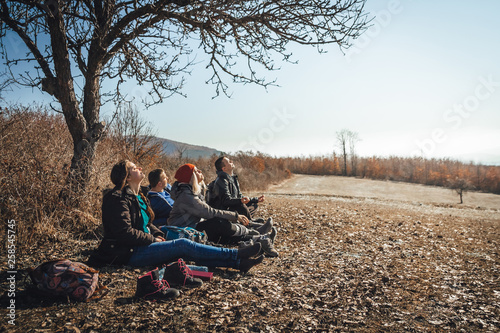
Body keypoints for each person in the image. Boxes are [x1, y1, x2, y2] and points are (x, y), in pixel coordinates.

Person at [92, 160, 264, 273]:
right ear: (127, 177)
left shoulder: (138, 196)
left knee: (187, 247)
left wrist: (157, 233)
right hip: (128, 253)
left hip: (142, 245)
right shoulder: (116, 199)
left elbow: (147, 223)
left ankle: (239, 263)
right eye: (135, 168)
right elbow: (124, 233)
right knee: (183, 245)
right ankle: (236, 255)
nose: (140, 168)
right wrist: (152, 239)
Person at [168, 163, 279, 257]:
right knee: (218, 223)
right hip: (183, 232)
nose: (200, 171)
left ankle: (260, 239)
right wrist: (235, 216)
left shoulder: (191, 192)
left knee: (221, 231)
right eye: (196, 171)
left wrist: (252, 201)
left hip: (192, 229)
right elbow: (209, 212)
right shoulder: (187, 196)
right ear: (191, 177)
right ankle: (256, 234)